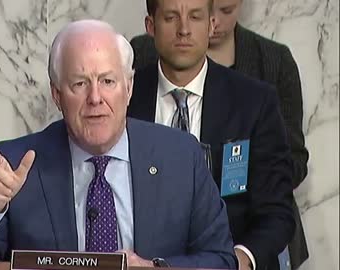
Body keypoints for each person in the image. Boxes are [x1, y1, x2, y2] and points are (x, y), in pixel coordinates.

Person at [0, 19, 237, 269]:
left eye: (108, 81)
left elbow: (223, 260)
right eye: (79, 84)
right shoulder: (14, 164)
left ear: (129, 88)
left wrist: (155, 268)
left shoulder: (181, 156)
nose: (96, 99)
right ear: (57, 95)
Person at [129, 0, 309, 269]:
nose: (184, 30)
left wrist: (239, 259)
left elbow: (276, 212)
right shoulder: (122, 98)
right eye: (170, 18)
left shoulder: (255, 102)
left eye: (196, 17)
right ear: (150, 26)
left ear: (211, 24)